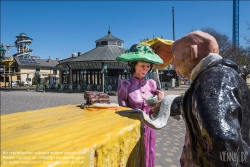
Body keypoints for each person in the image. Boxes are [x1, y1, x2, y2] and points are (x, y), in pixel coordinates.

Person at [151, 30, 250, 166]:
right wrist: (171, 103)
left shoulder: (213, 81)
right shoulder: (217, 76)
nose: (173, 63)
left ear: (192, 52)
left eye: (174, 56)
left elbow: (222, 140)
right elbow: (198, 103)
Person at [116, 44, 164, 167]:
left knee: (150, 156)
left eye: (148, 66)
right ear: (134, 65)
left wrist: (160, 101)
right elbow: (122, 112)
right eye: (142, 66)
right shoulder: (125, 85)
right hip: (133, 129)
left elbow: (156, 113)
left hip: (149, 128)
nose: (145, 69)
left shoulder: (152, 84)